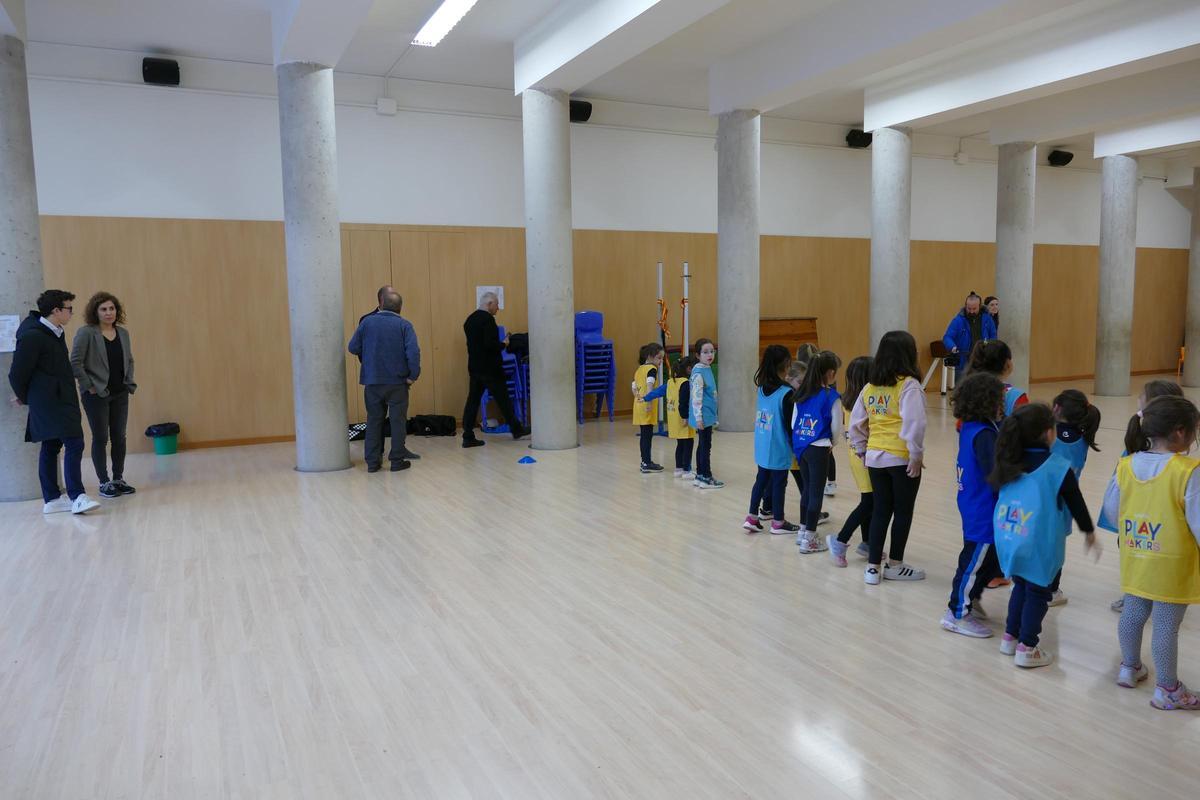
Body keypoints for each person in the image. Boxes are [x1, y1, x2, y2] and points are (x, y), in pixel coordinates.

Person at [1103, 395, 1200, 709]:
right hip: (1172, 564)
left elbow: (1111, 509)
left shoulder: (1126, 463)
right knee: (1165, 626)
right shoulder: (1188, 470)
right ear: (1181, 432)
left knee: (1132, 614)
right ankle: (1168, 689)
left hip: (1136, 554)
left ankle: (1129, 667)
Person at [992, 404, 1098, 668]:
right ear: (1048, 433)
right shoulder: (1058, 466)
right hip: (1039, 540)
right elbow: (1076, 502)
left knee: (1020, 586)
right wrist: (1089, 532)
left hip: (1010, 536)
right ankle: (1027, 646)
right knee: (1039, 592)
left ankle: (1010, 637)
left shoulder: (1009, 460)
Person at [7, 290, 99, 515]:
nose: (71, 313)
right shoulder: (33, 336)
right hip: (49, 401)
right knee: (74, 442)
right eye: (68, 308)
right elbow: (17, 374)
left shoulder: (55, 332)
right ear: (56, 311)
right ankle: (77, 496)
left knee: (51, 445)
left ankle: (52, 499)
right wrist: (28, 397)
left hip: (60, 397)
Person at [849, 331, 927, 584]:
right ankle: (894, 564)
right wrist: (916, 455)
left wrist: (862, 449)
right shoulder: (909, 385)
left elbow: (856, 423)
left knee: (881, 511)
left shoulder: (870, 387)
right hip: (901, 458)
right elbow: (915, 424)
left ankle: (873, 567)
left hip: (874, 457)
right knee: (903, 512)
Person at [1103, 380, 1184, 612]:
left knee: (1148, 553)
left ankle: (1148, 596)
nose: (1138, 399)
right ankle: (1135, 595)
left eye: (1141, 396)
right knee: (1135, 552)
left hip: (1153, 514)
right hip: (1135, 512)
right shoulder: (1138, 431)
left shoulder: (1161, 445)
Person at [941, 372, 1006, 638]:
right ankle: (956, 612)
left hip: (974, 500)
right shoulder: (983, 434)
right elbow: (995, 472)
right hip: (982, 507)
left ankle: (971, 598)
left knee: (990, 558)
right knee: (972, 561)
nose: (1003, 403)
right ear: (988, 401)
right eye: (1000, 398)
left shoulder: (971, 425)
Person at [70, 292, 137, 498]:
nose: (109, 313)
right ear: (96, 312)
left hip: (120, 393)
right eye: (104, 309)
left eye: (112, 308)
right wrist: (89, 386)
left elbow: (129, 360)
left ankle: (118, 478)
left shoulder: (123, 333)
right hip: (96, 394)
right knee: (101, 437)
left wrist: (128, 382)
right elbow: (75, 362)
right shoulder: (87, 333)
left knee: (119, 437)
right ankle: (104, 481)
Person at [347, 291, 421, 472]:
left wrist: (370, 357)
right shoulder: (405, 325)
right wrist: (413, 376)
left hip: (372, 382)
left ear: (381, 303)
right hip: (397, 383)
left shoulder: (367, 323)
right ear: (400, 307)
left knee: (374, 421)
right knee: (397, 422)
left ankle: (372, 463)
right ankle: (396, 461)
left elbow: (352, 347)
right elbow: (413, 353)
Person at [461, 292, 526, 447]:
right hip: (490, 368)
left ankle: (468, 435)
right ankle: (517, 429)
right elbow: (490, 345)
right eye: (496, 305)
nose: (498, 309)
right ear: (489, 304)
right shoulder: (488, 320)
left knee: (473, 401)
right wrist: (504, 343)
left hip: (475, 367)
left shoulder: (469, 320)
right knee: (503, 399)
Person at [791, 350, 841, 553]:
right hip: (820, 447)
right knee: (816, 493)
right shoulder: (832, 396)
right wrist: (832, 444)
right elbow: (838, 428)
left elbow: (794, 422)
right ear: (830, 373)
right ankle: (810, 539)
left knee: (807, 489)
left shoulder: (801, 393)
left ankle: (803, 530)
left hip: (801, 447)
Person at [745, 345, 798, 534]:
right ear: (785, 365)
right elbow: (790, 425)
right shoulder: (787, 392)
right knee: (778, 484)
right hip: (779, 446)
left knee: (761, 480)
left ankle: (751, 517)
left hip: (762, 443)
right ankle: (778, 522)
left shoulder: (761, 387)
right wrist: (797, 447)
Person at [827, 356, 874, 566]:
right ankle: (840, 540)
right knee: (869, 502)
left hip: (856, 457)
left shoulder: (848, 398)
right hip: (864, 458)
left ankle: (867, 543)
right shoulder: (863, 402)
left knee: (868, 500)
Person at [943, 292, 997, 382]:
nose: (971, 311)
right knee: (961, 388)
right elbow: (947, 337)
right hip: (963, 359)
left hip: (982, 359)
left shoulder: (987, 319)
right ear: (965, 305)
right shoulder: (958, 320)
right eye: (969, 308)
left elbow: (993, 335)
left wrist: (991, 348)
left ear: (979, 306)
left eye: (974, 309)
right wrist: (952, 347)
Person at [689, 338, 722, 488]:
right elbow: (696, 396)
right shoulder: (698, 372)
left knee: (703, 444)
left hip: (708, 414)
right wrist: (699, 418)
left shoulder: (706, 368)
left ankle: (700, 475)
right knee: (705, 446)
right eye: (705, 352)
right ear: (698, 355)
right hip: (702, 416)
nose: (710, 355)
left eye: (712, 351)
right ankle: (706, 477)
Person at [965, 339, 1027, 416]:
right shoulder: (1017, 397)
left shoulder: (968, 392)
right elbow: (1026, 426)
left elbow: (961, 425)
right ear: (1007, 364)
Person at [632, 343, 667, 473]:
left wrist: (638, 398)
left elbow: (634, 387)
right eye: (659, 358)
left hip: (638, 405)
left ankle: (645, 461)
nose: (661, 361)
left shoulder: (639, 369)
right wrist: (649, 402)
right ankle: (646, 462)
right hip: (646, 406)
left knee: (644, 436)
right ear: (649, 357)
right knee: (647, 436)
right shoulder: (652, 369)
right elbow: (650, 385)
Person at [667, 356, 696, 480]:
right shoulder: (685, 383)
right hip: (683, 417)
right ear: (689, 369)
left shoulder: (671, 381)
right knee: (688, 444)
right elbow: (683, 402)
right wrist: (685, 417)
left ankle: (678, 468)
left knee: (680, 444)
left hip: (673, 418)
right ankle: (686, 470)